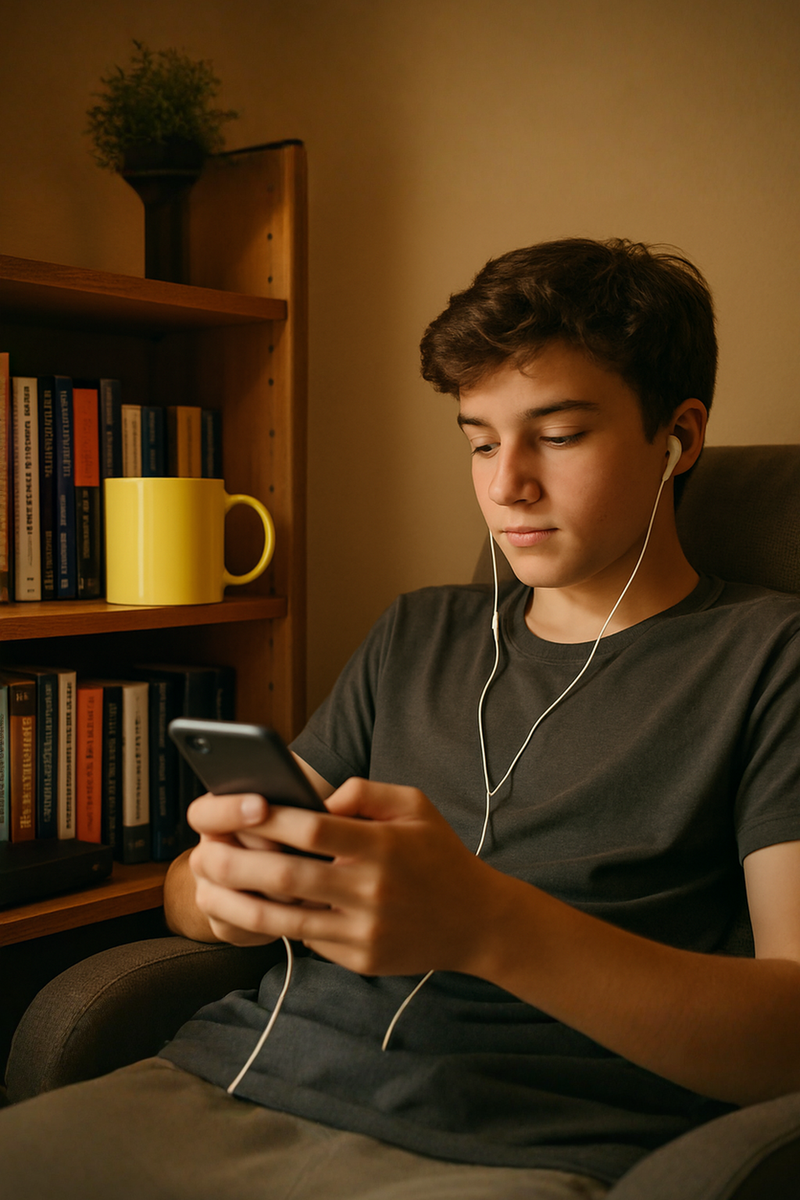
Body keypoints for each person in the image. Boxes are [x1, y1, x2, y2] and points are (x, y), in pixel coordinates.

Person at [3, 237, 800, 1200]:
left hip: (519, 1146)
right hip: (229, 1080)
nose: (506, 484)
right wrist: (216, 891)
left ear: (680, 436)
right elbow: (208, 881)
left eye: (557, 435)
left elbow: (790, 1035)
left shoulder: (770, 658)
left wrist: (485, 924)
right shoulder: (417, 630)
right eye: (479, 440)